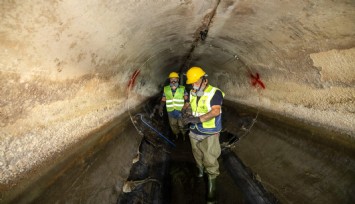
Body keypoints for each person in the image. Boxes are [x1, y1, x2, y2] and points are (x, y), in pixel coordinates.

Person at [182, 66, 224, 203]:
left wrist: (198, 119)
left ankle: (212, 188)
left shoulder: (214, 93)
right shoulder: (194, 91)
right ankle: (200, 171)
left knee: (210, 158)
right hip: (194, 130)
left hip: (209, 132)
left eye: (195, 82)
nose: (193, 85)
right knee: (197, 152)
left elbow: (215, 111)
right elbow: (188, 104)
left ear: (204, 80)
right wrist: (186, 111)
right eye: (192, 83)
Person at [159, 72, 189, 140]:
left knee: (182, 125)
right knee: (173, 125)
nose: (173, 81)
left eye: (175, 79)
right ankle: (176, 135)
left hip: (180, 111)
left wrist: (186, 109)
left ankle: (184, 135)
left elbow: (187, 100)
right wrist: (161, 107)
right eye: (171, 79)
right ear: (169, 80)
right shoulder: (166, 89)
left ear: (178, 80)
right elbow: (164, 99)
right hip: (170, 111)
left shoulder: (182, 88)